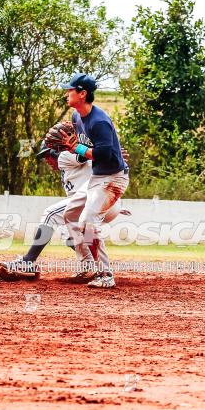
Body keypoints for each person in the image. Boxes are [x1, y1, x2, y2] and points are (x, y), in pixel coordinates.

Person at [0, 140, 127, 281]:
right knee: (69, 235)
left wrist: (109, 152)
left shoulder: (65, 155)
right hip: (103, 203)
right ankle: (93, 268)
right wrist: (112, 154)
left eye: (48, 155)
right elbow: (91, 157)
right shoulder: (70, 168)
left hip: (97, 200)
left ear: (56, 150)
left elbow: (84, 155)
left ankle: (28, 261)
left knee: (51, 214)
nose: (47, 160)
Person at [60, 73, 129, 288]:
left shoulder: (99, 121)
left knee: (89, 223)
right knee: (71, 215)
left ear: (83, 94)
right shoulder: (76, 117)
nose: (66, 93)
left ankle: (105, 275)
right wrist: (77, 150)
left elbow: (105, 155)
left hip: (113, 179)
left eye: (70, 90)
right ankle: (88, 264)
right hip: (98, 176)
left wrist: (77, 148)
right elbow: (86, 152)